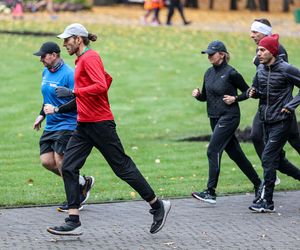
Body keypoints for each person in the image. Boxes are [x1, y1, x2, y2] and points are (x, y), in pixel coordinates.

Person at [46, 23, 171, 236]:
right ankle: (73, 220)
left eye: (67, 39)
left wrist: (74, 91)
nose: (64, 43)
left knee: (121, 167)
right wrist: (67, 102)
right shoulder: (81, 60)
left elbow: (101, 85)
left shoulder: (90, 57)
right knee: (68, 166)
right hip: (84, 125)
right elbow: (105, 80)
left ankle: (157, 205)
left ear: (79, 39)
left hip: (101, 123)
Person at [191, 40, 262, 204]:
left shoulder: (232, 73)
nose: (209, 56)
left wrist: (235, 98)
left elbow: (249, 91)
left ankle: (210, 191)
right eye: (207, 53)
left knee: (213, 150)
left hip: (229, 117)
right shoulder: (208, 73)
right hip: (214, 118)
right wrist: (198, 95)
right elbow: (206, 97)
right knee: (236, 154)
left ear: (222, 55)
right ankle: (259, 184)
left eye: (212, 53)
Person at [33, 41, 94, 212]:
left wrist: (57, 109)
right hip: (51, 125)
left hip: (67, 123)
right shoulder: (46, 72)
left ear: (54, 55)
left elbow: (78, 99)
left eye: (43, 56)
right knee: (46, 162)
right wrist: (41, 114)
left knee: (61, 161)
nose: (41, 60)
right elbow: (47, 97)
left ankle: (75, 199)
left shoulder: (69, 74)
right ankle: (82, 182)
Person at [248, 34, 300, 212]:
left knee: (268, 157)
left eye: (262, 50)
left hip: (282, 121)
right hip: (266, 120)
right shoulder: (261, 70)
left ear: (273, 52)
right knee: (277, 161)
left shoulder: (286, 69)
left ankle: (267, 201)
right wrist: (254, 92)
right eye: (258, 50)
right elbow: (258, 90)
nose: (259, 53)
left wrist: (291, 105)